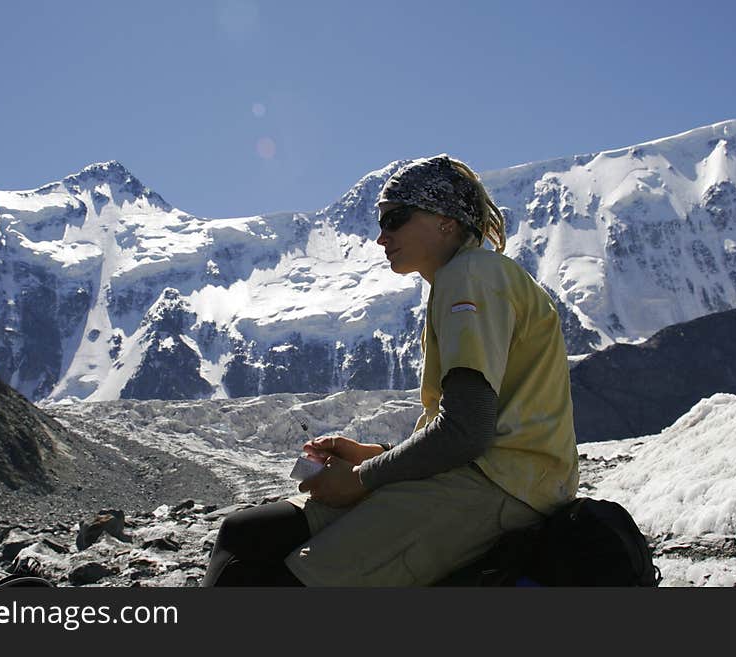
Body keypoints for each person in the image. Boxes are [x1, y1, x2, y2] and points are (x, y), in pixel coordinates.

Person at [202, 154, 579, 587]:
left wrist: (362, 478)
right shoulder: (472, 276)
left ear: (446, 220)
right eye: (381, 222)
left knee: (287, 576)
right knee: (246, 532)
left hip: (500, 487)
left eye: (396, 218)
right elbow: (466, 426)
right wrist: (376, 455)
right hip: (478, 475)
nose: (382, 237)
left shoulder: (469, 277)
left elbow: (468, 429)